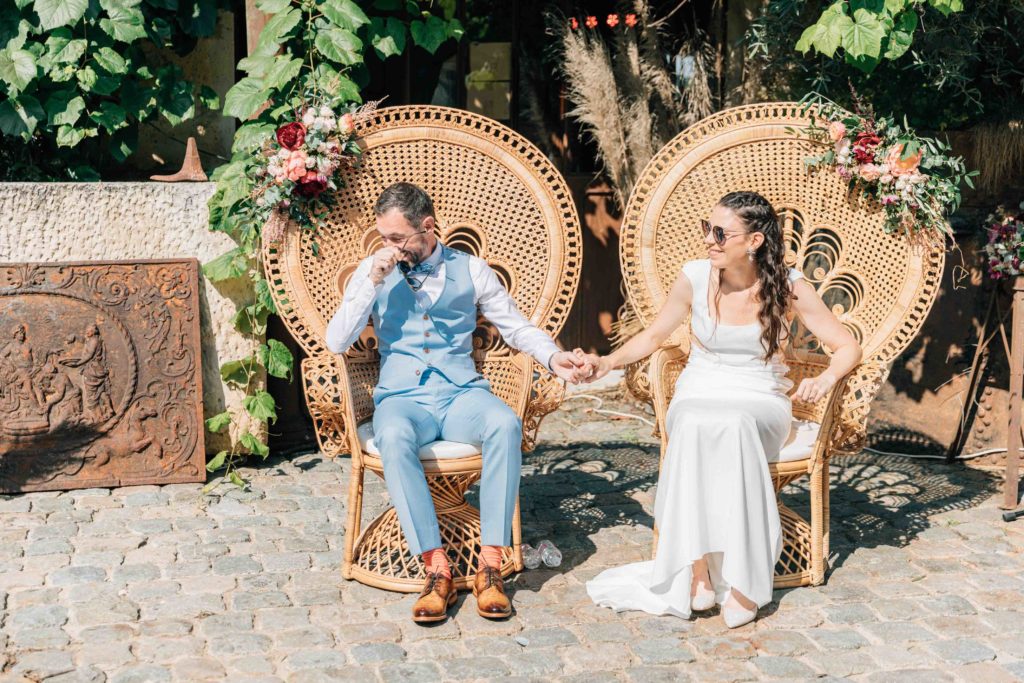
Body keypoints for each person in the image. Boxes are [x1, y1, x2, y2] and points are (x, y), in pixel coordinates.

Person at [580, 191, 862, 628]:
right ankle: (697, 572)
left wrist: (825, 378)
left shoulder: (787, 285)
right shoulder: (694, 277)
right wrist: (605, 363)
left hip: (760, 397)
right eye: (705, 230)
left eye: (719, 233)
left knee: (733, 423)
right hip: (700, 388)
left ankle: (746, 579)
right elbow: (653, 337)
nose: (708, 241)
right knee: (692, 421)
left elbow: (847, 346)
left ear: (753, 241)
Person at [326, 182, 592, 623]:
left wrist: (553, 356)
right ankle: (436, 569)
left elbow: (515, 326)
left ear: (427, 227)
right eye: (383, 237)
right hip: (402, 398)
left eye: (397, 238)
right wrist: (371, 280)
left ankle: (490, 564)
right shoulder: (371, 272)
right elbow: (337, 339)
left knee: (504, 423)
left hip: (460, 393)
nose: (388, 247)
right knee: (391, 434)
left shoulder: (472, 269)